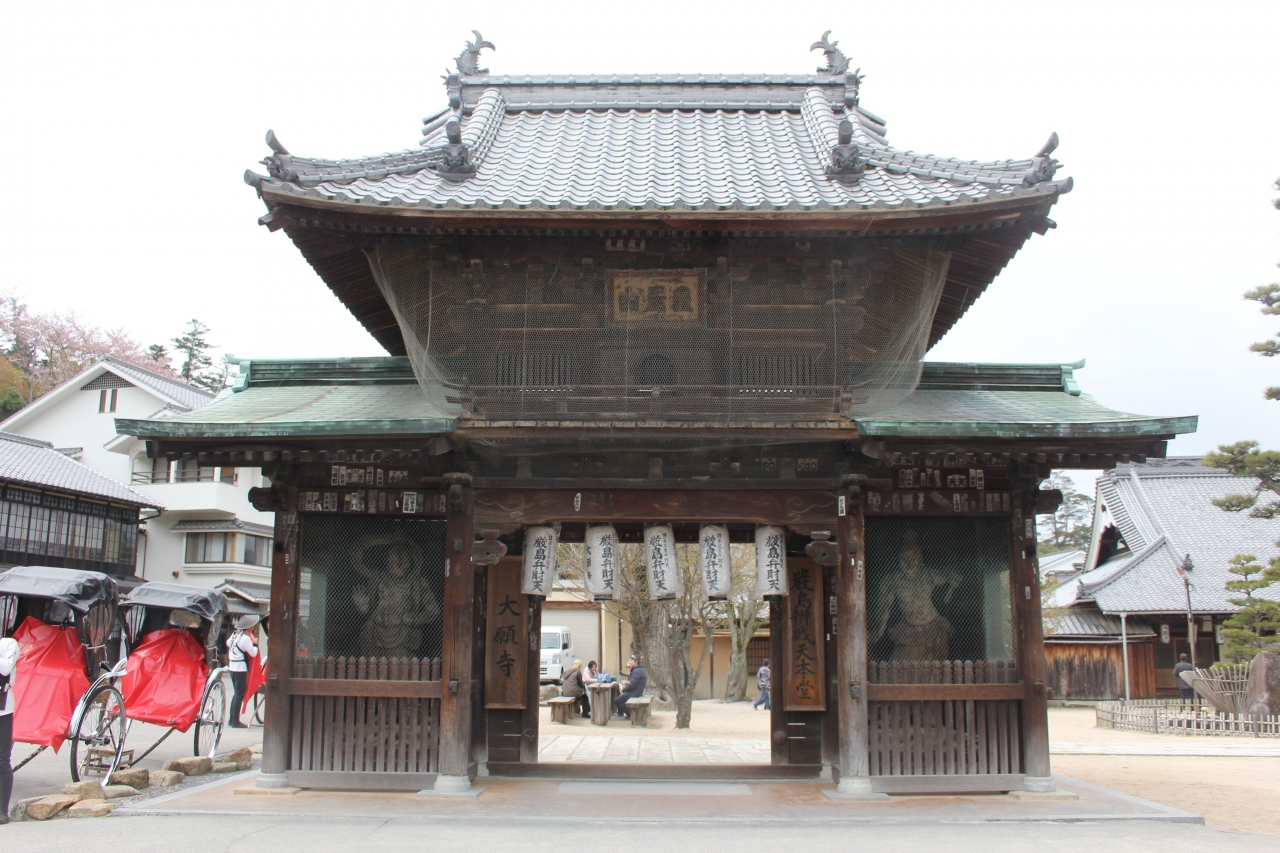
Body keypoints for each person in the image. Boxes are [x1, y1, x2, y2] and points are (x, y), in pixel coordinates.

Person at [227, 615, 261, 728]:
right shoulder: (245, 638)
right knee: (239, 694)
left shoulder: (234, 635)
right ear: (249, 627)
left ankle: (231, 719)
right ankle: (235, 721)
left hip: (232, 667)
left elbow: (227, 643)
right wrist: (255, 644)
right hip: (240, 669)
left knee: (236, 694)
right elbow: (253, 653)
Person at [0, 637, 19, 826]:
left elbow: (5, 668)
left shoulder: (9, 644)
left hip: (3, 709)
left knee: (2, 760)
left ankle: (2, 811)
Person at [613, 654, 647, 719]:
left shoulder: (636, 671)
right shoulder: (638, 670)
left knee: (617, 700)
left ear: (636, 662)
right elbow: (634, 682)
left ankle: (630, 714)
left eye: (631, 661)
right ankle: (621, 713)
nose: (630, 662)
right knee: (620, 697)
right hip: (637, 692)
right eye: (629, 660)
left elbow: (632, 686)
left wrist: (623, 690)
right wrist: (627, 683)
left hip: (635, 693)